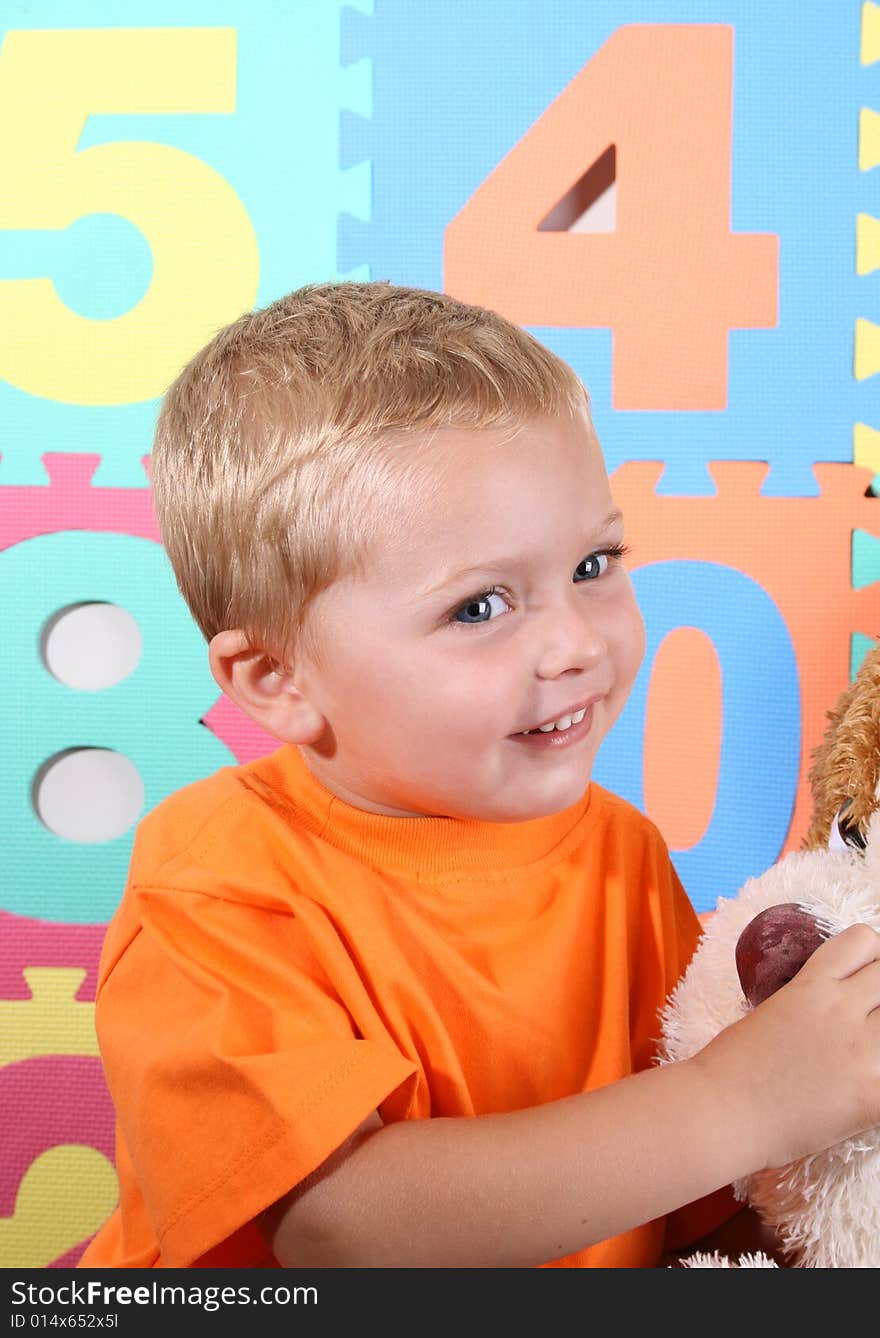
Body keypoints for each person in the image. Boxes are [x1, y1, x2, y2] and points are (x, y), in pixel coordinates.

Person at [79, 281, 880, 1269]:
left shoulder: (617, 852)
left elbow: (683, 1198)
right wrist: (742, 1100)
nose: (577, 643)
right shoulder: (217, 884)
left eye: (593, 565)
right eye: (480, 607)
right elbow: (340, 1229)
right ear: (276, 680)